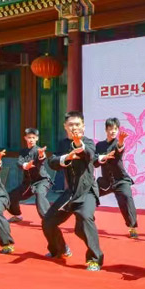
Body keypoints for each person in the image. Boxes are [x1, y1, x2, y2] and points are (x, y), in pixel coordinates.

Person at [42, 111, 102, 271]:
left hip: (87, 191)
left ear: (83, 127)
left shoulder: (88, 142)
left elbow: (88, 154)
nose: (74, 127)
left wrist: (78, 145)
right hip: (71, 193)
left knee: (84, 218)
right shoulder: (62, 144)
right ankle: (60, 250)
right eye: (71, 125)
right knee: (48, 221)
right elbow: (52, 162)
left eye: (77, 125)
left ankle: (94, 259)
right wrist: (66, 157)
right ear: (65, 127)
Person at [94, 118, 139, 238]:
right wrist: (102, 157)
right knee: (90, 193)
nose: (113, 131)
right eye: (110, 129)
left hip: (121, 180)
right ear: (106, 130)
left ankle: (132, 227)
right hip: (106, 181)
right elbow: (95, 162)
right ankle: (87, 218)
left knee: (126, 198)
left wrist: (121, 142)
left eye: (115, 129)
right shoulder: (99, 145)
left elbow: (119, 151)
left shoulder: (118, 142)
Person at [7, 128, 52, 223]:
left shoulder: (39, 151)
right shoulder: (23, 152)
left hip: (42, 180)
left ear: (37, 139)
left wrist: (41, 155)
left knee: (40, 193)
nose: (31, 139)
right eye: (29, 137)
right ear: (25, 138)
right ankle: (17, 216)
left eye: (33, 137)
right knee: (11, 196)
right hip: (28, 183)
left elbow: (41, 160)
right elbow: (19, 162)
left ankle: (48, 220)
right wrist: (25, 165)